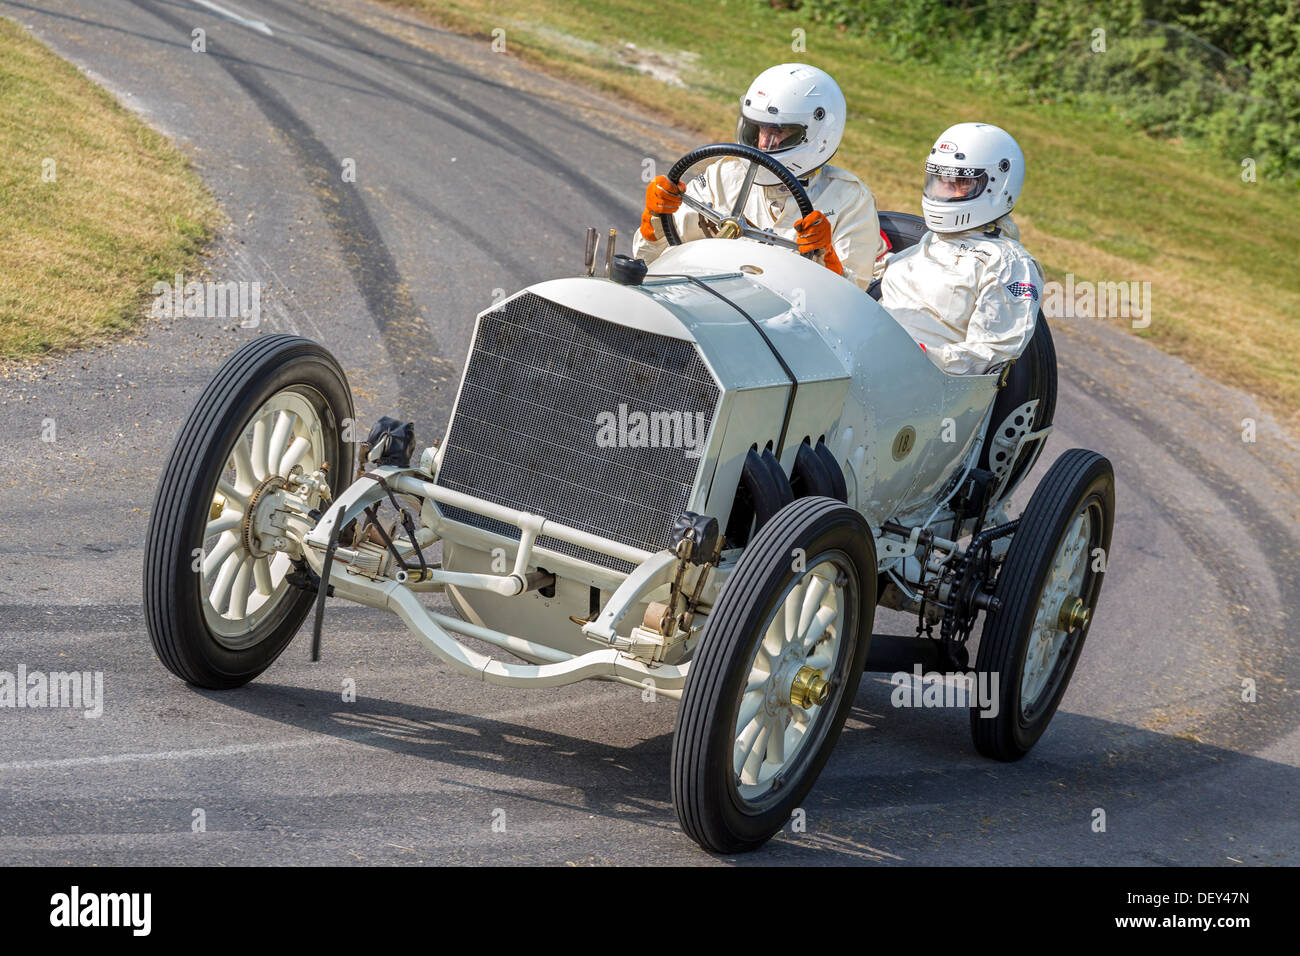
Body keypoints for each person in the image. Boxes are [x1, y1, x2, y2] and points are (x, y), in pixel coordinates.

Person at [633, 63, 885, 290]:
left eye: (780, 131)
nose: (764, 143)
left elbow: (851, 301)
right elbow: (649, 263)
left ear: (818, 136)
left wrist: (825, 256)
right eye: (758, 129)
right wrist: (655, 220)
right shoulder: (723, 176)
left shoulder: (850, 200)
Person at [879, 122, 1045, 375]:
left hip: (925, 388)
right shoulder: (930, 242)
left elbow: (990, 355)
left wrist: (917, 355)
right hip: (867, 358)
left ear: (996, 187)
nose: (945, 190)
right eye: (940, 179)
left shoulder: (1007, 262)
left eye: (961, 182)